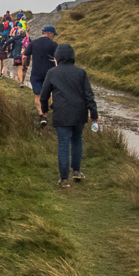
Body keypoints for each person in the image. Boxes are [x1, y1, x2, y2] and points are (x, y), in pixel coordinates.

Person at [39, 43, 99, 187]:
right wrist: (94, 115)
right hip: (79, 113)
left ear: (57, 57)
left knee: (63, 144)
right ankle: (77, 172)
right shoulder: (81, 72)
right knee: (77, 140)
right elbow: (89, 95)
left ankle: (64, 179)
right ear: (72, 56)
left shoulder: (52, 72)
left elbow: (44, 95)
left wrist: (44, 110)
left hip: (61, 113)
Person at [28, 24, 59, 122]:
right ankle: (48, 112)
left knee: (38, 94)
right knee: (49, 93)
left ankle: (42, 115)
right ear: (49, 34)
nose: (53, 36)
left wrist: (25, 66)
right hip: (49, 73)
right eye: (53, 34)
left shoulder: (33, 43)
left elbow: (25, 56)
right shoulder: (54, 45)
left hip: (36, 73)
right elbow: (57, 59)